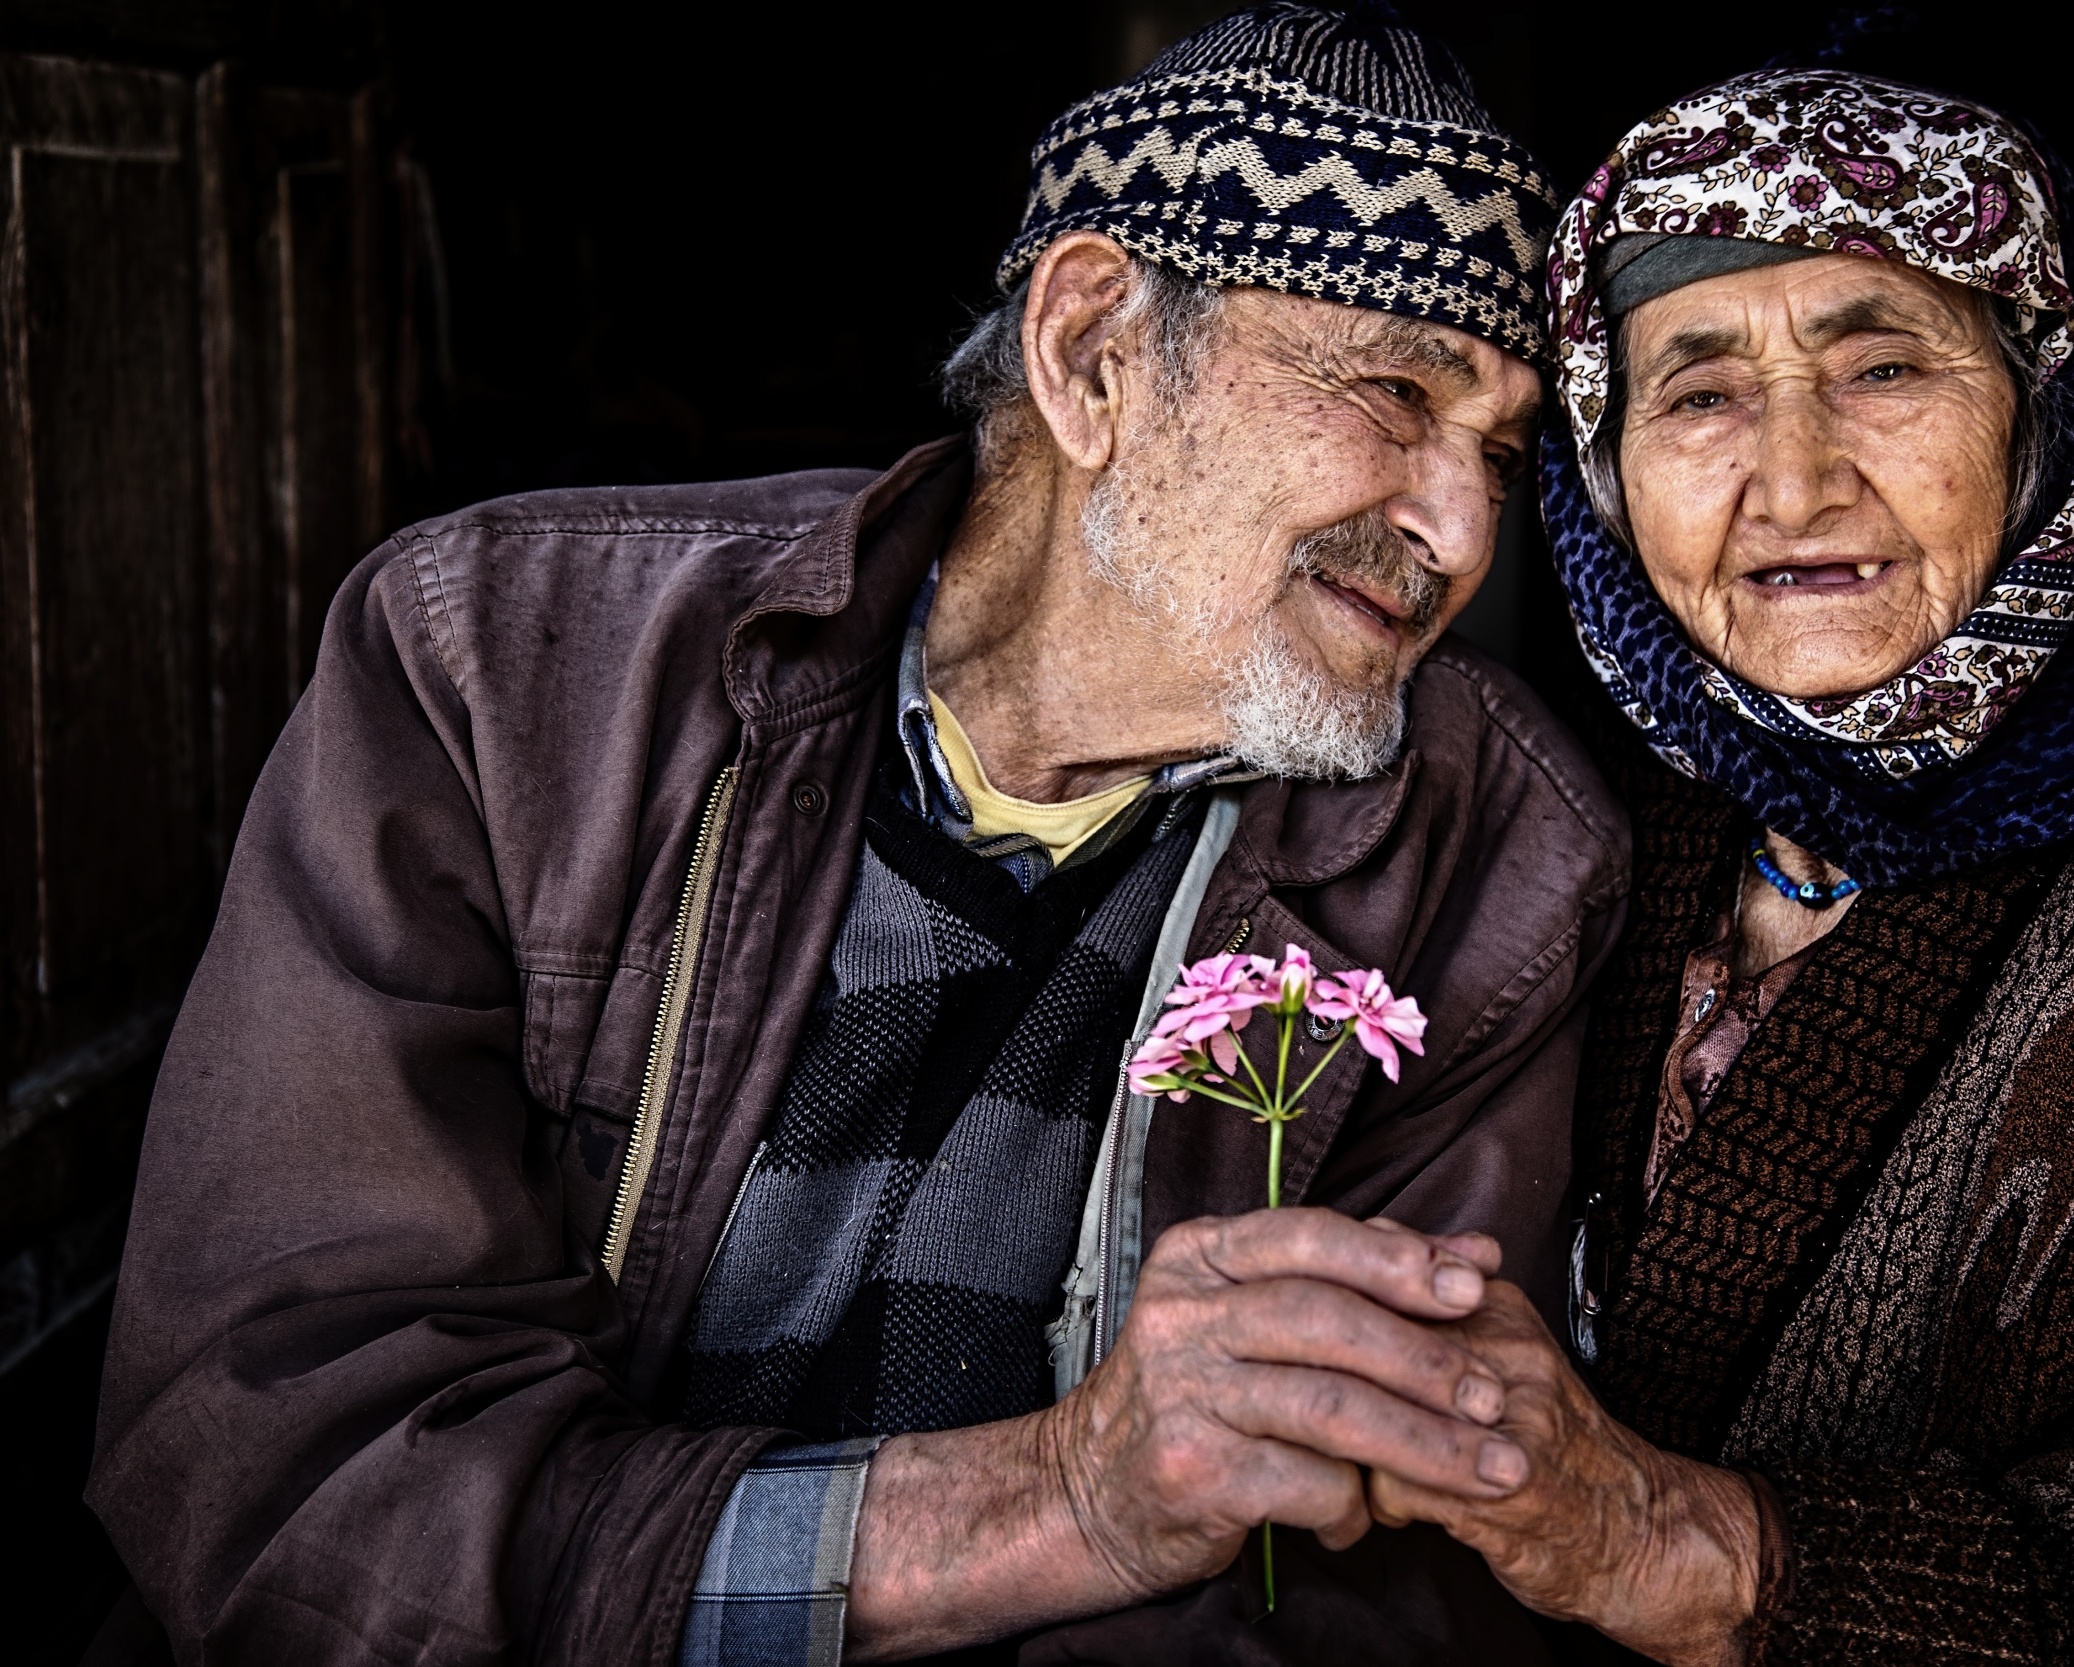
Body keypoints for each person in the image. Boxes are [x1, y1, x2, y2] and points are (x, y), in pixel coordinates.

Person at [85, 8, 1630, 1663]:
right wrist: (1067, 1502)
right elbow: (288, 1474)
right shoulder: (504, 671)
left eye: (1504, 450)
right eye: (1395, 390)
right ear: (1095, 348)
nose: (1461, 532)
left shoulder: (1491, 855)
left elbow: (1355, 1598)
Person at [1359, 69, 2074, 1664]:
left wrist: (1702, 1553)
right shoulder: (1594, 836)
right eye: (1699, 394)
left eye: (1883, 366)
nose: (1798, 481)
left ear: (2048, 417)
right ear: (1604, 476)